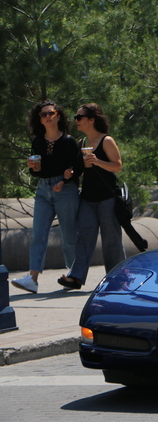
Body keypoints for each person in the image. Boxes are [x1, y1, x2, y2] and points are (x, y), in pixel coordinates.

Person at [11, 101, 83, 294]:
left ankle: (73, 275)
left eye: (51, 113)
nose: (48, 117)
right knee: (38, 234)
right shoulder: (37, 142)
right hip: (43, 189)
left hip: (65, 190)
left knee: (68, 235)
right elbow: (38, 172)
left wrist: (67, 178)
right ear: (39, 120)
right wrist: (34, 168)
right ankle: (32, 279)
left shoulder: (68, 141)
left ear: (58, 116)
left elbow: (77, 168)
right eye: (43, 115)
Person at [57, 103, 125, 290]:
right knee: (84, 237)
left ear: (91, 120)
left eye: (80, 117)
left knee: (111, 239)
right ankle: (76, 277)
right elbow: (79, 170)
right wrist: (70, 172)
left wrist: (97, 161)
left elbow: (117, 166)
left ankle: (116, 277)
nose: (76, 120)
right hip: (87, 198)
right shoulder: (82, 143)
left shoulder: (107, 141)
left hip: (107, 198)